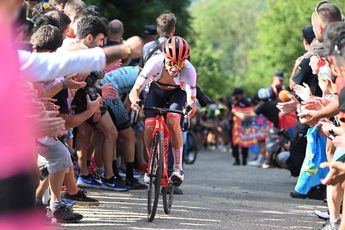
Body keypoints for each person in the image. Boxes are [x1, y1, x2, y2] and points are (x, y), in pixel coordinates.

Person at [129, 36, 197, 186]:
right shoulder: (154, 62)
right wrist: (135, 100)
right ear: (165, 58)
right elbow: (136, 89)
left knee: (173, 121)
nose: (174, 68)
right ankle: (152, 162)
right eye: (172, 63)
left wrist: (190, 107)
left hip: (176, 94)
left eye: (179, 64)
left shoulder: (189, 70)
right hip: (156, 92)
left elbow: (191, 96)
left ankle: (178, 168)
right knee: (148, 126)